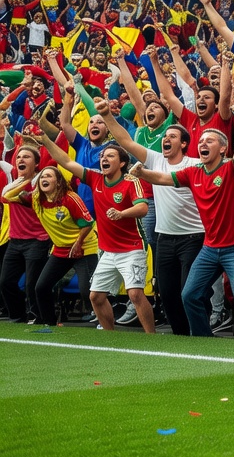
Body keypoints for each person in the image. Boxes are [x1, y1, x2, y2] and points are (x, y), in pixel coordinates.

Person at [137, 111, 234, 341]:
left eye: (209, 141)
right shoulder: (193, 172)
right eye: (201, 141)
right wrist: (141, 172)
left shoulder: (231, 167)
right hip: (210, 246)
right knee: (190, 295)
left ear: (222, 149)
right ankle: (203, 341)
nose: (203, 144)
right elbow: (162, 179)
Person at [98, 104, 205, 336]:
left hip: (194, 236)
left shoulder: (194, 164)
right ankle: (181, 336)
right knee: (167, 293)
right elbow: (126, 142)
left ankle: (201, 334)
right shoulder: (156, 159)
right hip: (165, 237)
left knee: (191, 291)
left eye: (172, 136)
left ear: (184, 144)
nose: (166, 139)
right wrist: (106, 115)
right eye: (165, 136)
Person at [39, 132, 155, 333]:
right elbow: (66, 161)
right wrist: (47, 141)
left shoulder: (130, 182)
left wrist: (121, 213)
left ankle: (151, 337)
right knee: (96, 297)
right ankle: (110, 336)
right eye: (102, 156)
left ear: (122, 163)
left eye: (110, 156)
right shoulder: (95, 178)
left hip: (132, 248)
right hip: (108, 251)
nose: (104, 159)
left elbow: (143, 208)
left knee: (135, 294)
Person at [2, 165, 98, 327]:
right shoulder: (35, 200)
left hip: (84, 247)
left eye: (49, 176)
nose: (44, 179)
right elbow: (6, 197)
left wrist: (78, 243)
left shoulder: (70, 198)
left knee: (86, 289)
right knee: (41, 287)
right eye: (42, 177)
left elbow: (87, 223)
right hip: (61, 250)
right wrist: (25, 179)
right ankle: (49, 323)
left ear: (59, 182)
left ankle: (100, 319)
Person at [0, 144, 50, 323]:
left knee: (32, 285)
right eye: (19, 157)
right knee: (5, 282)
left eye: (27, 157)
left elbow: (8, 196)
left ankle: (38, 317)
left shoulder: (41, 182)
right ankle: (17, 315)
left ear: (37, 163)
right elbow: (5, 196)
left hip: (38, 240)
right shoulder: (14, 182)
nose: (21, 159)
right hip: (15, 240)